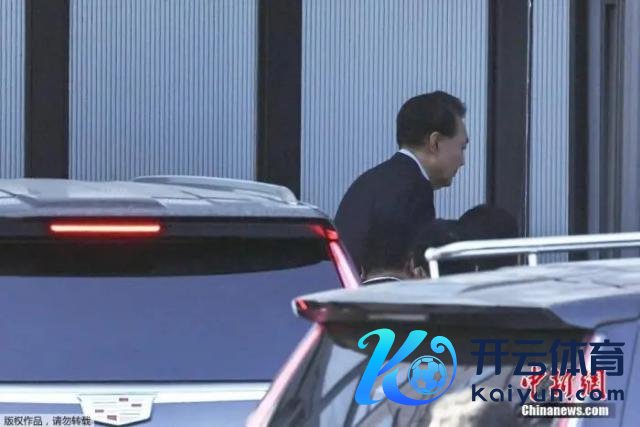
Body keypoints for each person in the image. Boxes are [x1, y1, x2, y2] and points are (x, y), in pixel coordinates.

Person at [335, 91, 469, 274]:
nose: (462, 161)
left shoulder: (369, 181)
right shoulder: (415, 192)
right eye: (462, 147)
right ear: (435, 142)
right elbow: (407, 275)